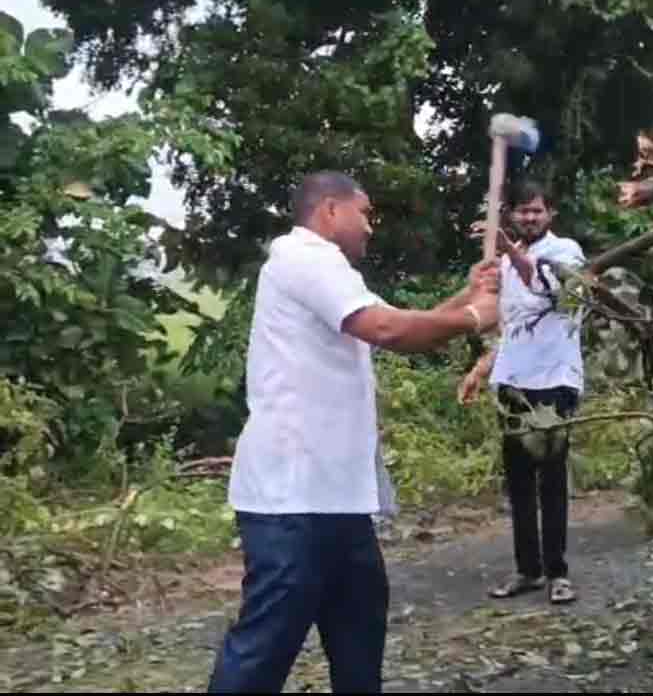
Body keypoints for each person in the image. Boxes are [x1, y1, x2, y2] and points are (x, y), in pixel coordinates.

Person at [208, 171, 501, 693]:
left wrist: (468, 297)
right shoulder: (305, 258)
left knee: (359, 633)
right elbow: (386, 329)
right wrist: (475, 317)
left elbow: (398, 321)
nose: (370, 226)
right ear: (329, 210)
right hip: (293, 500)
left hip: (336, 500)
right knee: (265, 646)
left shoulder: (327, 270)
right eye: (364, 213)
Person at [457, 179, 586, 605]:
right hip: (513, 382)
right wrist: (480, 370)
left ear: (550, 214)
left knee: (551, 479)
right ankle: (528, 569)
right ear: (511, 215)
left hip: (555, 380)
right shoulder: (506, 267)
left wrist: (508, 248)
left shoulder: (565, 251)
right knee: (519, 482)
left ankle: (557, 573)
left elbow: (549, 288)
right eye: (523, 211)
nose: (530, 217)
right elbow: (512, 328)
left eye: (537, 210)